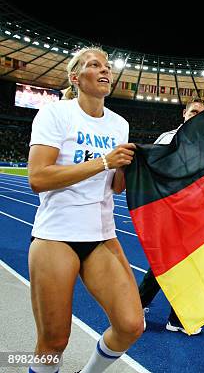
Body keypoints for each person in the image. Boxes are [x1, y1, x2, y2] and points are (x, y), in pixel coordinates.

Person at [28, 47, 143, 373]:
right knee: (53, 342)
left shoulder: (119, 124)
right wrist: (104, 161)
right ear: (76, 78)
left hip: (101, 235)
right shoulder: (55, 114)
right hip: (57, 235)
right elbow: (38, 178)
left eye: (107, 66)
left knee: (131, 325)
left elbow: (115, 186)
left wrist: (123, 168)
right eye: (95, 65)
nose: (105, 70)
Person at [139, 98, 204, 335]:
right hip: (170, 210)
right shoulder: (169, 139)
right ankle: (149, 309)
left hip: (194, 212)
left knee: (188, 263)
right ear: (184, 114)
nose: (197, 116)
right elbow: (155, 170)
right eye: (194, 112)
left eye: (202, 114)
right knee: (167, 263)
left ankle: (175, 316)